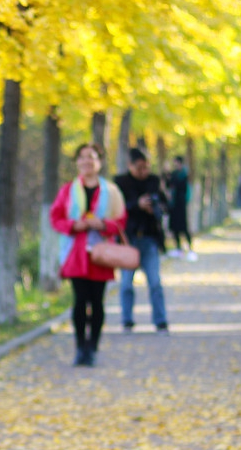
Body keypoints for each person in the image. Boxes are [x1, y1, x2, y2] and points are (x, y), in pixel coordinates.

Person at [50, 143, 127, 366]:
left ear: (99, 162)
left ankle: (93, 346)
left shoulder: (111, 192)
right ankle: (80, 347)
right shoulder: (68, 190)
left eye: (91, 157)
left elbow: (121, 220)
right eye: (82, 158)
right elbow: (55, 218)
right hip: (75, 253)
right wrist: (75, 225)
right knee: (79, 301)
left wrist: (102, 223)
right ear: (77, 162)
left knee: (97, 301)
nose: (87, 162)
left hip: (101, 253)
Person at [114, 148, 169, 333]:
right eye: (139, 168)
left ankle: (160, 321)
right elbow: (117, 209)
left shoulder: (154, 181)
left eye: (146, 167)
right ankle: (127, 320)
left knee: (155, 283)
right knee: (126, 284)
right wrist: (136, 205)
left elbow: (164, 203)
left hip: (149, 238)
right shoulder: (120, 183)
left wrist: (156, 208)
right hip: (128, 240)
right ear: (130, 165)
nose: (143, 172)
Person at [166, 155, 196, 261]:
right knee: (175, 228)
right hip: (174, 205)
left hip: (181, 204)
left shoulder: (184, 174)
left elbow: (182, 187)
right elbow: (168, 184)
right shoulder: (174, 174)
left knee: (184, 227)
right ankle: (179, 249)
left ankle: (190, 249)